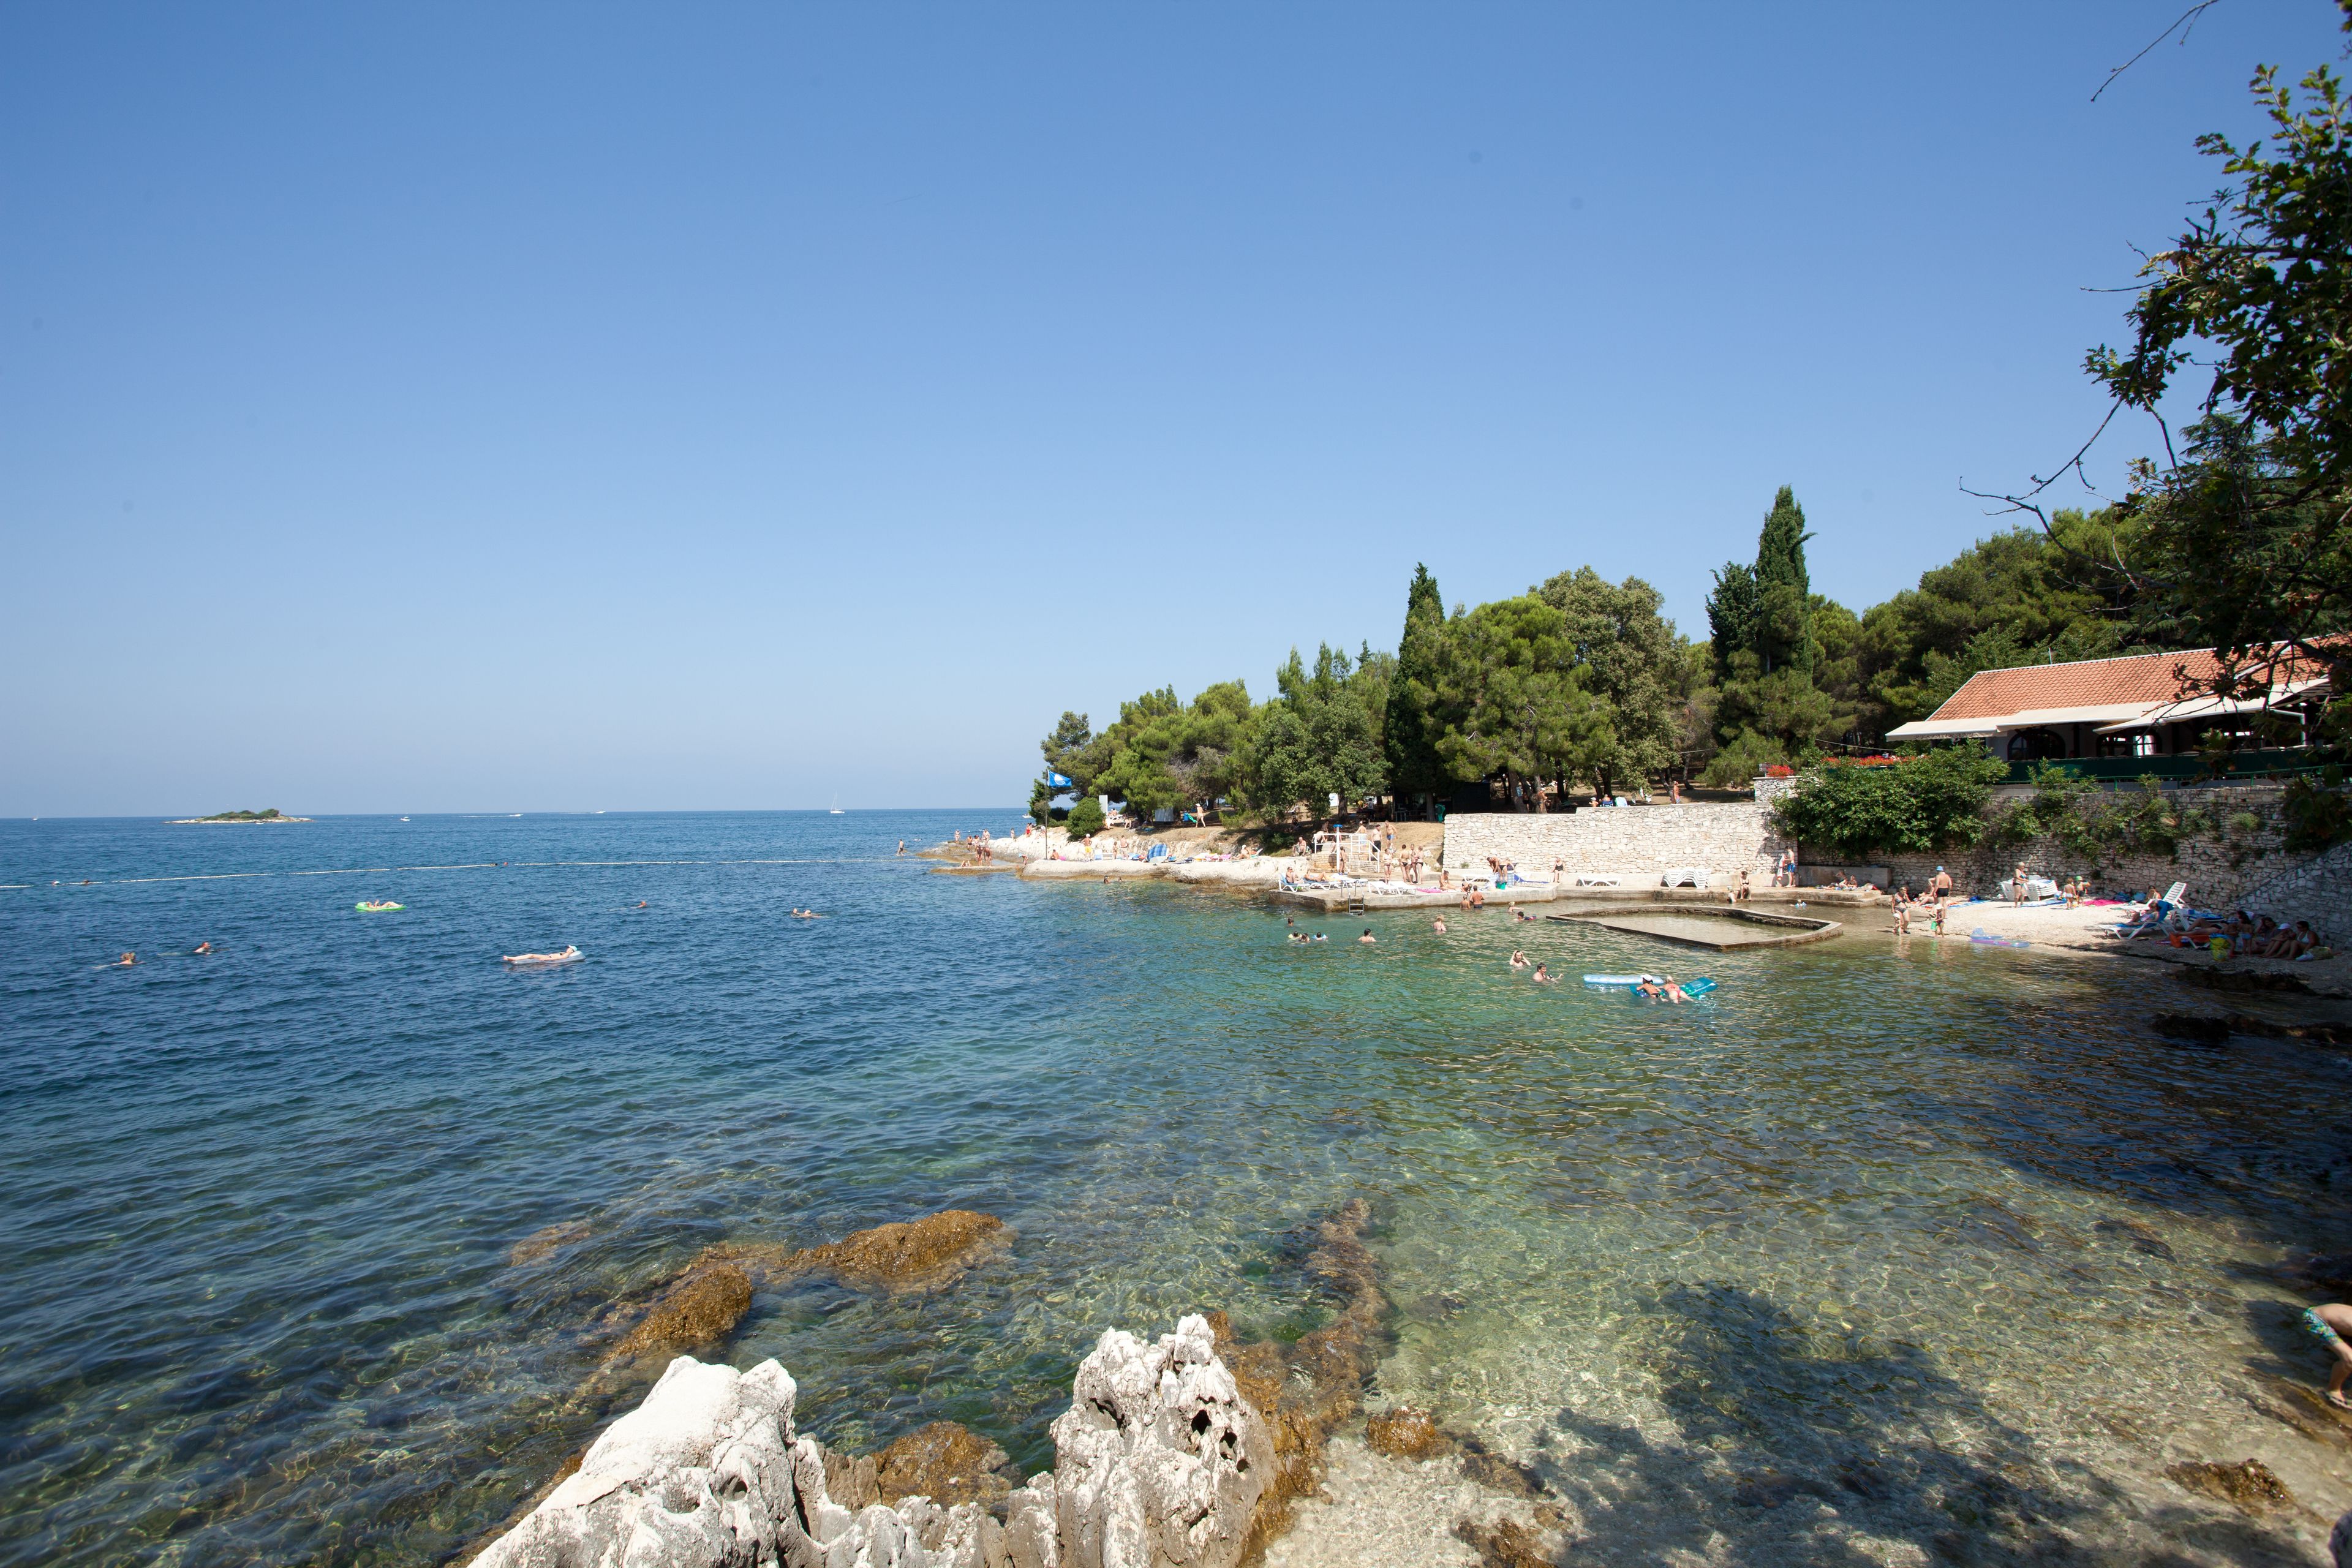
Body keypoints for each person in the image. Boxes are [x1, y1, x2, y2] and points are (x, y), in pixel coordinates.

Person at [2304, 1302, 2352, 1408]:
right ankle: (2333, 1390)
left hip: (2325, 1316)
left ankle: (2334, 1347)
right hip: (2315, 1319)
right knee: (2350, 1359)